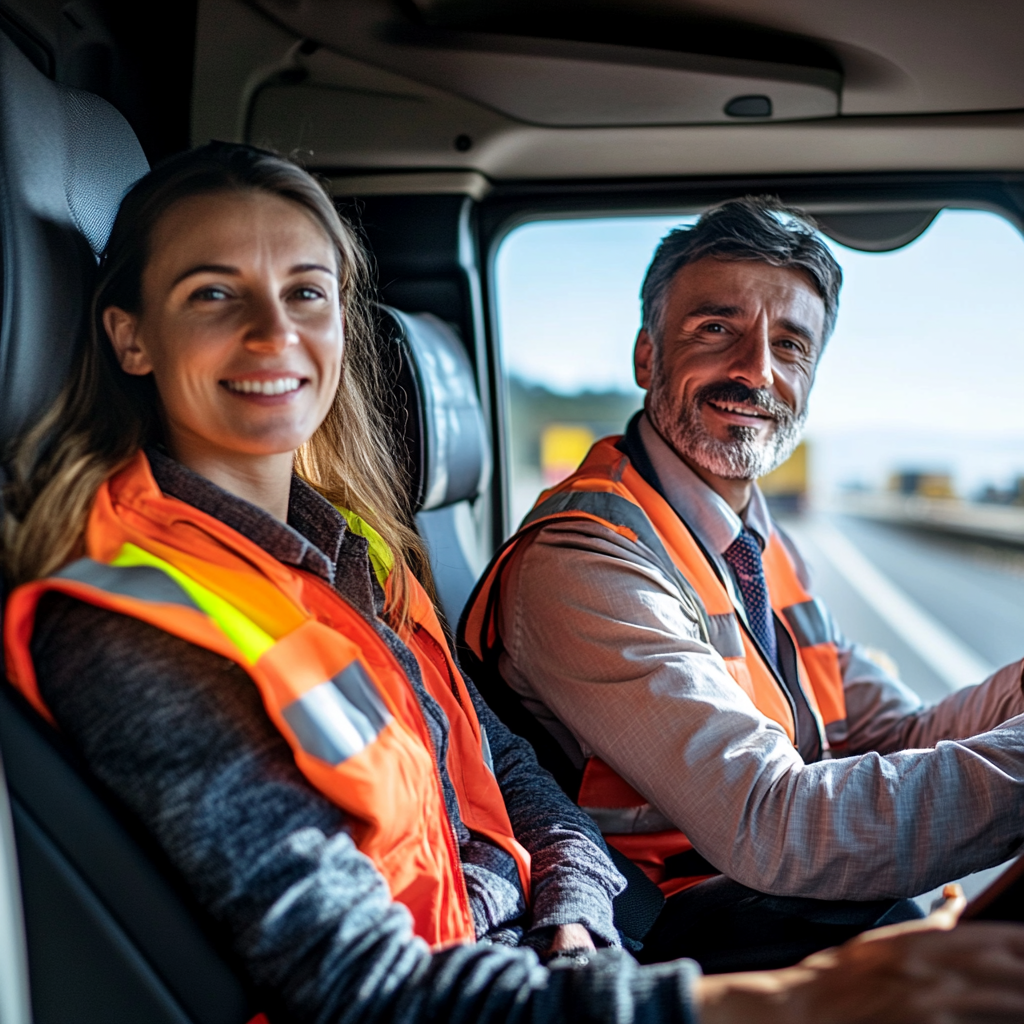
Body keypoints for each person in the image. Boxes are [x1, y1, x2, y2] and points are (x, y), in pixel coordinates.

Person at [4, 147, 1024, 1024]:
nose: (275, 335)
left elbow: (499, 772)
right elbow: (371, 992)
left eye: (306, 292)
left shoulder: (355, 557)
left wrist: (574, 914)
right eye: (215, 293)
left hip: (555, 950)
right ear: (130, 333)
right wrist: (794, 1001)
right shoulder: (137, 623)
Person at [461, 196, 1024, 972]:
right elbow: (773, 827)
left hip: (748, 897)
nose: (756, 370)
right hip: (658, 931)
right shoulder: (584, 559)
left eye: (790, 344)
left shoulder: (758, 538)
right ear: (647, 358)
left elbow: (892, 735)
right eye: (716, 329)